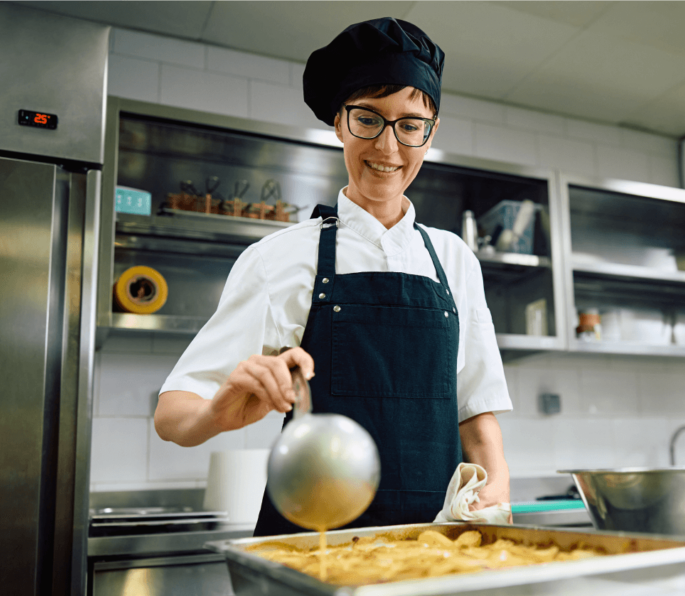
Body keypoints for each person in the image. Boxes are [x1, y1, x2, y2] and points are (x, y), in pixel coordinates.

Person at [154, 17, 513, 536]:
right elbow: (173, 416)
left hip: (437, 546)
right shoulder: (278, 259)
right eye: (368, 118)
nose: (388, 148)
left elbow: (475, 412)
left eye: (410, 125)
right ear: (340, 123)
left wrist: (496, 481)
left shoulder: (455, 259)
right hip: (312, 546)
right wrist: (220, 410)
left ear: (431, 132)